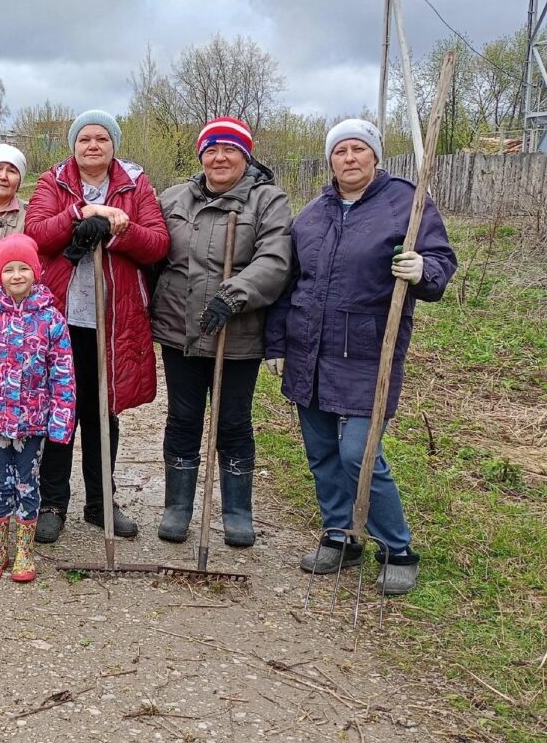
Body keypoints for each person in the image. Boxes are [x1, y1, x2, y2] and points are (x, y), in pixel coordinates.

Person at [265, 118, 456, 596]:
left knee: (359, 454)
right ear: (330, 160)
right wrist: (276, 344)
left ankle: (397, 548)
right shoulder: (312, 214)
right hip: (308, 349)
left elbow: (441, 261)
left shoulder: (406, 205)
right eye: (340, 151)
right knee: (322, 453)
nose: (349, 158)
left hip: (367, 351)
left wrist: (423, 269)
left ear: (375, 155)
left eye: (358, 149)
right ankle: (339, 536)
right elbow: (290, 285)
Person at [24, 109, 169, 544]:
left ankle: (100, 503)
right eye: (84, 138)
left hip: (112, 318)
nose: (92, 145)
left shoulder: (134, 185)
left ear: (113, 146)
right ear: (73, 146)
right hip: (61, 319)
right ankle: (52, 503)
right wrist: (78, 214)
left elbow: (158, 243)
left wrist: (116, 232)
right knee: (59, 410)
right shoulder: (54, 182)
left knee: (102, 411)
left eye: (101, 139)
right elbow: (36, 234)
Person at [149, 117, 292, 548]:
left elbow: (277, 259)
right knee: (183, 418)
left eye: (230, 149)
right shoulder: (173, 198)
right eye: (211, 149)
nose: (220, 157)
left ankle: (236, 512)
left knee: (232, 422)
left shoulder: (267, 201)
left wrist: (235, 293)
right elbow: (152, 251)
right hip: (182, 332)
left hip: (238, 333)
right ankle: (178, 507)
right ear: (201, 155)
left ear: (246, 156)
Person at [0, 235, 75, 583]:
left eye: (24, 268)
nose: (17, 275)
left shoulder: (51, 319)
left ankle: (24, 548)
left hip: (33, 422)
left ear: (36, 272)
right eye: (9, 269)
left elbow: (63, 373)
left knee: (27, 482)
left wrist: (60, 420)